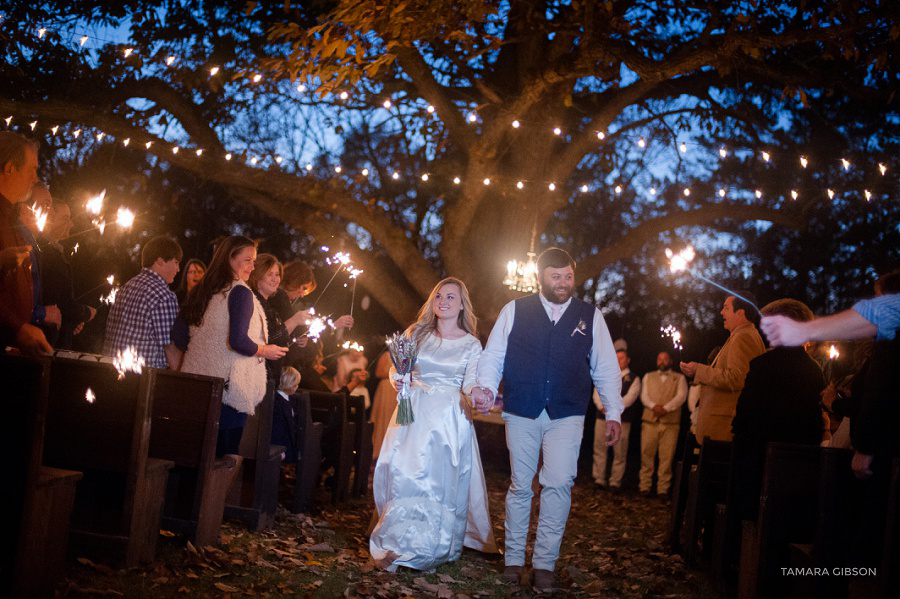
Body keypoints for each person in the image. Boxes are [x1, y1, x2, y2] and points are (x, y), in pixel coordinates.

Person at [474, 247, 622, 590]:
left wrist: (612, 411)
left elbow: (606, 368)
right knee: (520, 485)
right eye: (556, 276)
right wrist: (485, 387)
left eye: (568, 276)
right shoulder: (515, 310)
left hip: (567, 412)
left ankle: (544, 564)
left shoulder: (590, 316)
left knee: (558, 484)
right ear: (540, 276)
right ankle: (513, 561)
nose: (563, 283)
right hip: (522, 408)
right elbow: (493, 356)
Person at [370, 277, 497, 572]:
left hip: (448, 419)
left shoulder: (471, 344)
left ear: (462, 304)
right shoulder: (417, 333)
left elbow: (470, 382)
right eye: (439, 296)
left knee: (439, 481)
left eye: (451, 297)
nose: (443, 301)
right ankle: (398, 537)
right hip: (412, 412)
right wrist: (398, 378)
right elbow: (396, 368)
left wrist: (478, 393)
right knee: (405, 473)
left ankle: (435, 542)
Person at [172, 236, 288, 456]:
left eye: (253, 261)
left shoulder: (201, 290)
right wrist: (266, 350)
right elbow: (238, 341)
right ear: (229, 258)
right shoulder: (240, 293)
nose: (252, 267)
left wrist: (206, 350)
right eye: (247, 260)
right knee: (222, 462)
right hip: (228, 392)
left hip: (195, 386)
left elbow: (179, 336)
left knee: (193, 458)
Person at [680, 292, 765, 444]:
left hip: (723, 428)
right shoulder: (744, 335)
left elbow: (736, 379)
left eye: (726, 308)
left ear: (740, 313)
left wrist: (699, 370)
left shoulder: (743, 337)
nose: (721, 312)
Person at [0, 131, 50, 355]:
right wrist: (17, 328)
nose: (36, 178)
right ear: (10, 168)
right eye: (32, 169)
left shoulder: (13, 220)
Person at [103, 235, 182, 368]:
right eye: (176, 262)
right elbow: (169, 347)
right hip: (145, 379)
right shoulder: (164, 295)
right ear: (161, 260)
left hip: (113, 372)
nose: (178, 269)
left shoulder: (125, 288)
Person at [34, 189, 95, 348]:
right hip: (48, 343)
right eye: (66, 218)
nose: (72, 224)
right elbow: (57, 303)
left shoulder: (54, 253)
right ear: (49, 220)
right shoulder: (48, 255)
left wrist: (72, 321)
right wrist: (85, 312)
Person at [14, 184, 62, 341]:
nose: (52, 213)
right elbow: (11, 299)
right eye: (46, 205)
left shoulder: (31, 242)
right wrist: (41, 314)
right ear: (25, 209)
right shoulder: (20, 242)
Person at [593, 342, 641, 490]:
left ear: (628, 360)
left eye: (621, 358)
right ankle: (599, 478)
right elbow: (597, 392)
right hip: (602, 418)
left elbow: (629, 398)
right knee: (600, 448)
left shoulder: (634, 379)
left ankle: (615, 481)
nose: (618, 361)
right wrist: (602, 406)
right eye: (616, 358)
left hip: (621, 420)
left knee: (619, 452)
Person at [639, 350, 687, 497]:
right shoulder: (648, 376)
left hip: (670, 424)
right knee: (646, 454)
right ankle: (645, 486)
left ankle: (663, 489)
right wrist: (654, 407)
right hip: (649, 421)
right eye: (659, 358)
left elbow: (681, 397)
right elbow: (644, 396)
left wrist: (666, 409)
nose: (662, 361)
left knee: (666, 458)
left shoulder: (680, 378)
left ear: (670, 361)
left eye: (665, 359)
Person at [370, 349, 398, 459]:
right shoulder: (387, 355)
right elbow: (378, 373)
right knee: (384, 417)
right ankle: (380, 450)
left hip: (399, 390)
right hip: (387, 389)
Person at [273, 366, 302, 463]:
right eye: (295, 385)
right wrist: (280, 449)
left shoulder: (288, 399)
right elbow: (277, 427)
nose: (297, 387)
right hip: (281, 445)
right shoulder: (278, 402)